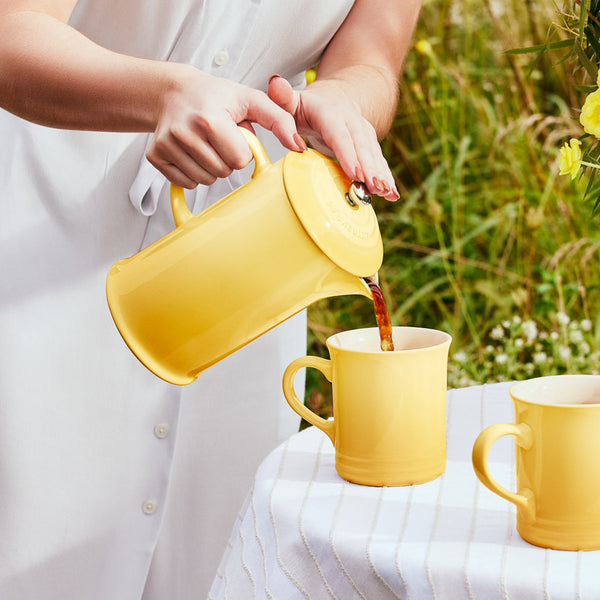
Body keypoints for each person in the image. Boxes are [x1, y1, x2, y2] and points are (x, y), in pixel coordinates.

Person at [0, 0, 421, 598]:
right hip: (47, 223)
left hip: (254, 248)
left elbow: (372, 56)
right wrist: (164, 93)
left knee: (216, 555)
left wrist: (346, 100)